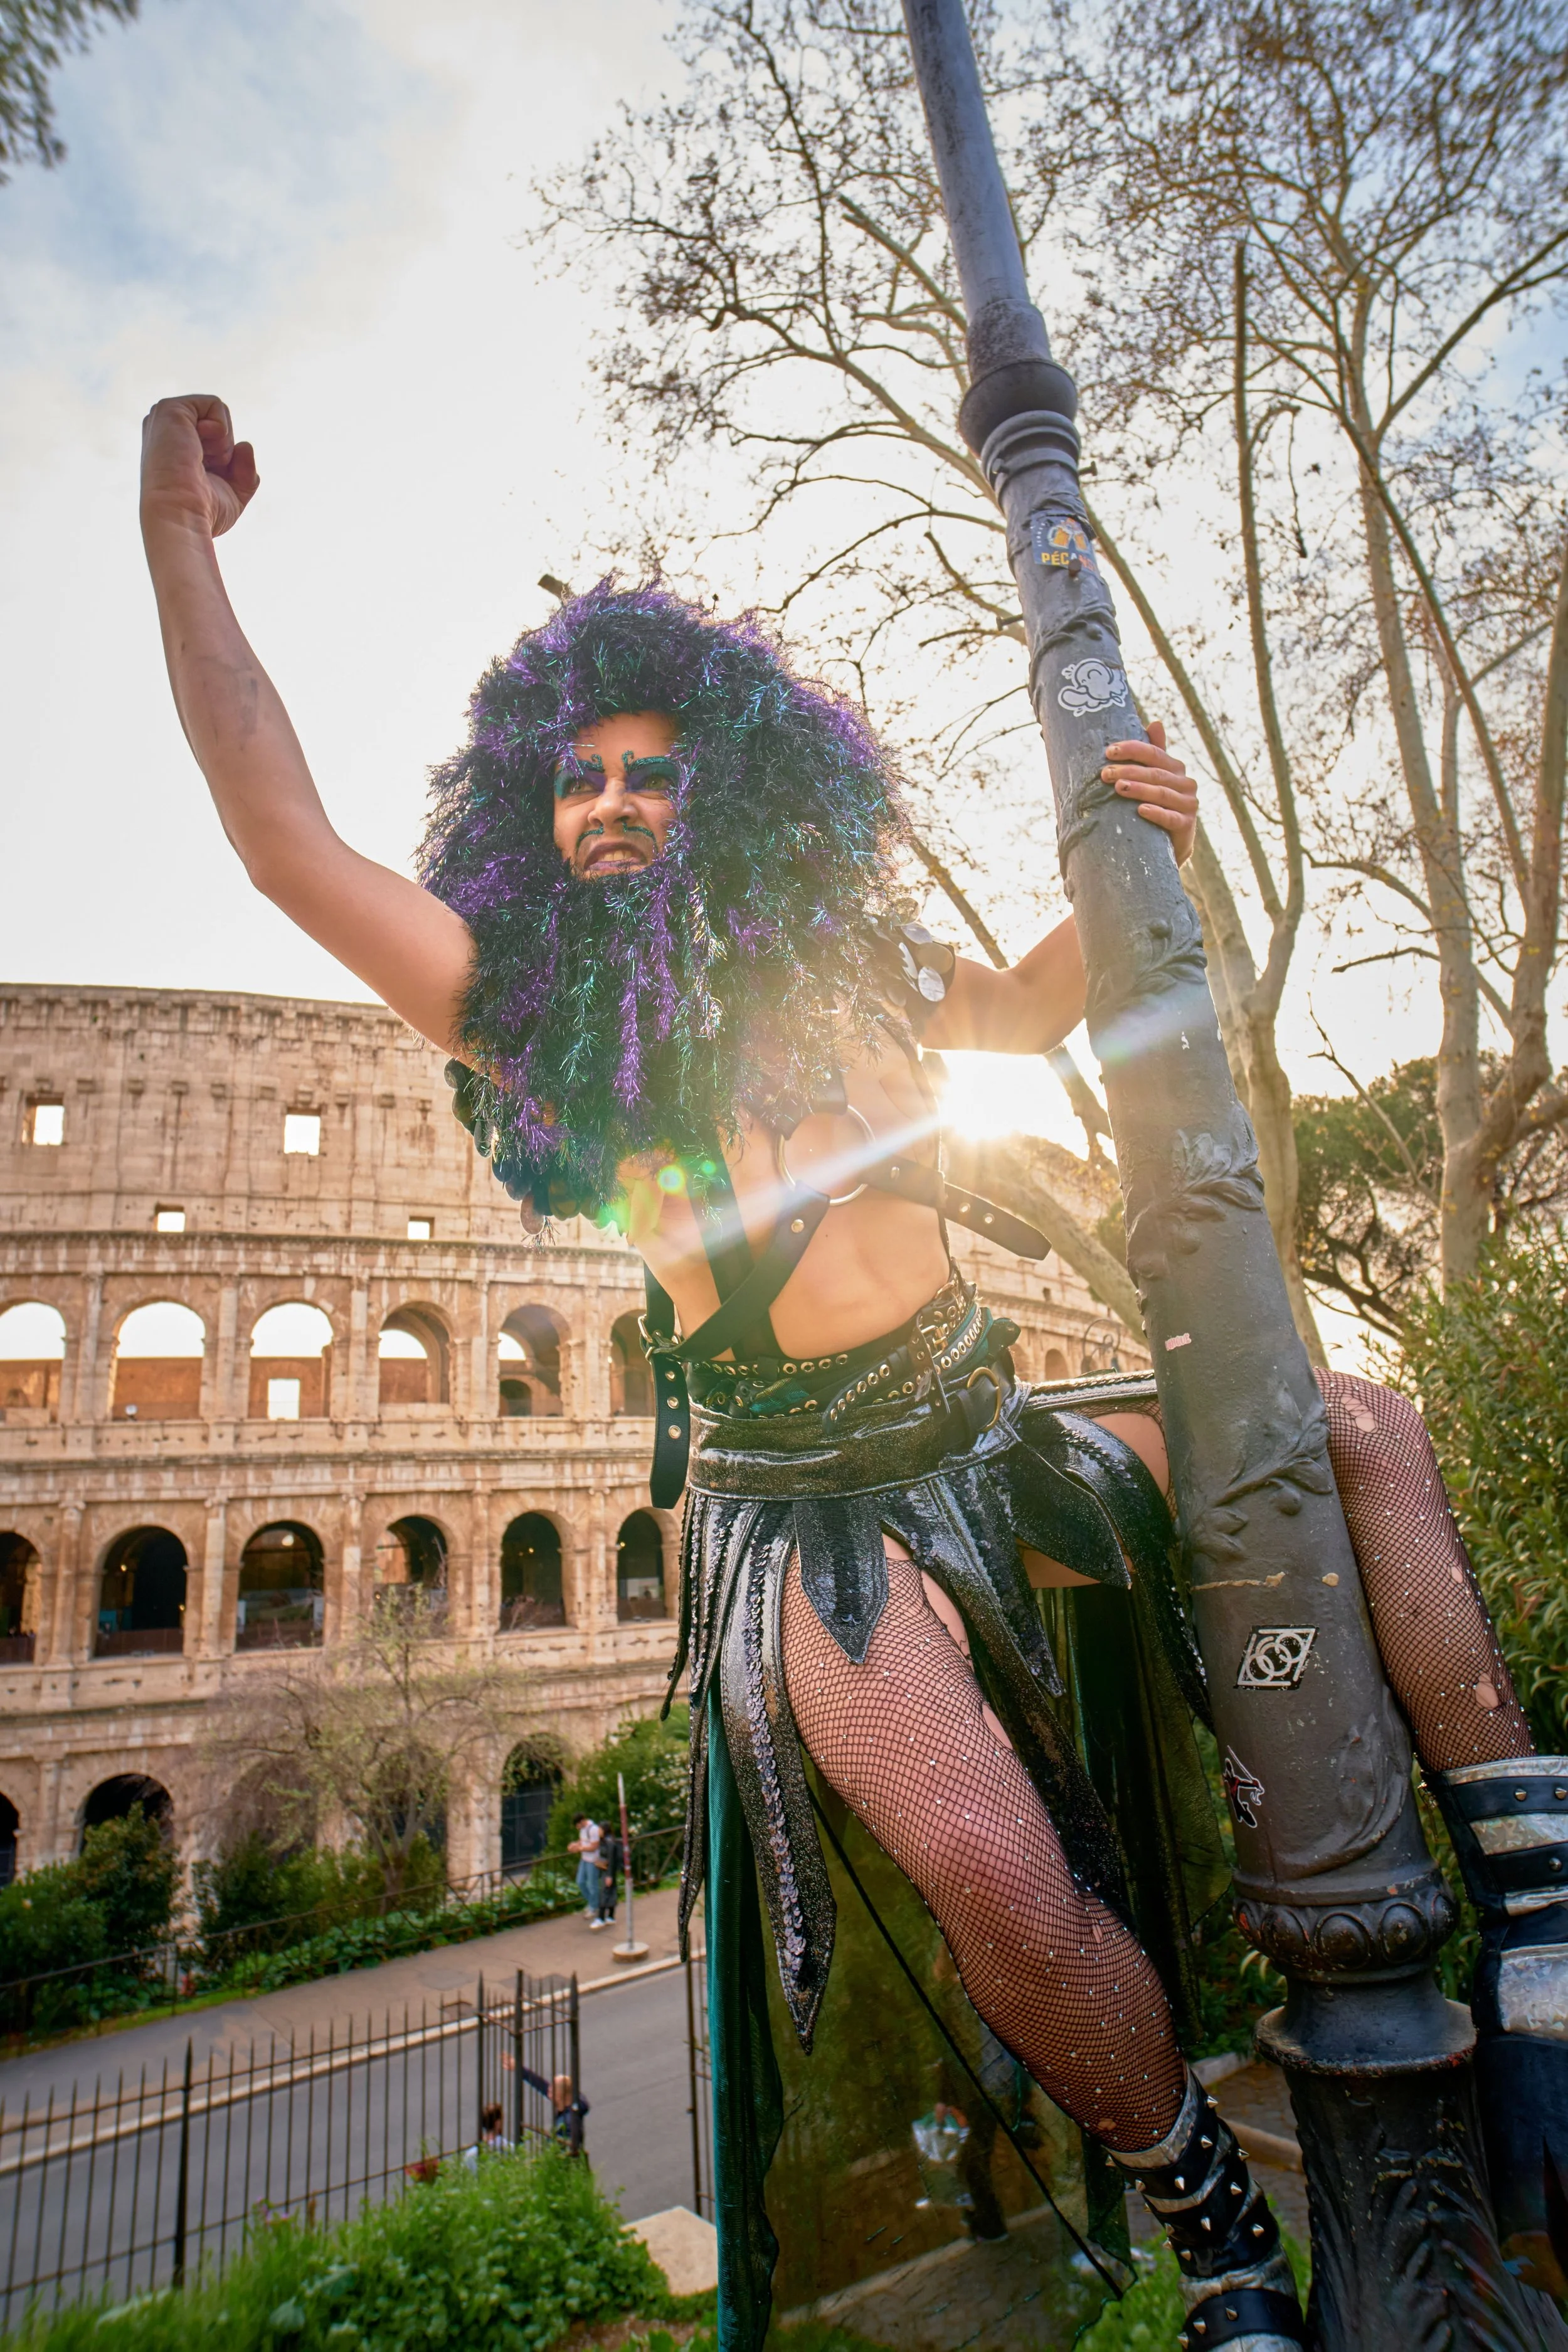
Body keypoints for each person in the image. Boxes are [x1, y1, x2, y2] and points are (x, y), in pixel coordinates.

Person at [138, 393, 1566, 2348]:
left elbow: (1036, 999)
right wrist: (180, 539)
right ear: (528, 820)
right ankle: (1213, 2225)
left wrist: (1142, 830)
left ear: (728, 785)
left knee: (1361, 1428)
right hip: (808, 1513)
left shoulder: (860, 969)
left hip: (986, 1423)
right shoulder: (534, 1012)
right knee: (982, 1859)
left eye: (650, 772)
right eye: (576, 781)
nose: (612, 800)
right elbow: (280, 838)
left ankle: (1539, 1925)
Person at [568, 1814, 605, 1927]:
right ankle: (593, 1903)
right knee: (580, 1882)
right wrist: (575, 1845)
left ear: (582, 1822)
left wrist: (580, 1848)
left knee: (593, 1885)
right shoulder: (583, 1830)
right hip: (584, 1859)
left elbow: (594, 1846)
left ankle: (593, 1907)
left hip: (593, 1860)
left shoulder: (593, 1829)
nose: (577, 1828)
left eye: (578, 1825)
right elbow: (582, 1841)